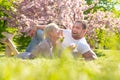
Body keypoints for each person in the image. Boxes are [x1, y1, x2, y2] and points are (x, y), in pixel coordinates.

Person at [25, 21, 97, 60]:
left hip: (59, 55)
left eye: (77, 28)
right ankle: (29, 52)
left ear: (84, 31)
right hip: (54, 49)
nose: (74, 29)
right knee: (39, 32)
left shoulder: (81, 44)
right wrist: (37, 27)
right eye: (73, 27)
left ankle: (30, 54)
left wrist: (80, 60)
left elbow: (93, 57)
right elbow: (51, 29)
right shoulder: (68, 32)